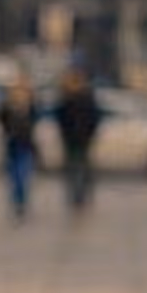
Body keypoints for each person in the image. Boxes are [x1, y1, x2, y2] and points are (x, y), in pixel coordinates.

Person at [54, 68, 101, 215]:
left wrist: (89, 133)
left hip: (82, 139)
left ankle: (80, 196)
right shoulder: (66, 98)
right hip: (71, 139)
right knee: (74, 168)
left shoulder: (85, 98)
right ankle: (76, 196)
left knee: (80, 167)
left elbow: (94, 118)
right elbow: (60, 118)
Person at [0, 75, 39, 222]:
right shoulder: (7, 108)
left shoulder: (30, 107)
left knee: (22, 177)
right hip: (11, 146)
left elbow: (35, 120)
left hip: (25, 146)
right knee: (13, 178)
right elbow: (0, 119)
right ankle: (16, 202)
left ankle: (21, 202)